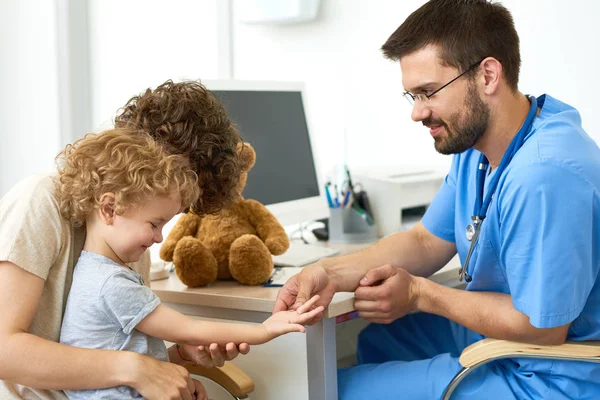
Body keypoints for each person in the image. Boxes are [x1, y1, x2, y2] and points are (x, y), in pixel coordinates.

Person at [274, 1, 600, 399]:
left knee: (331, 390)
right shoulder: (478, 144)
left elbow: (543, 327)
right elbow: (426, 241)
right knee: (380, 341)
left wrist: (419, 295)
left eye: (428, 93)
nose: (416, 113)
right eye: (411, 96)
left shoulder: (545, 175)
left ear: (488, 75)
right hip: (519, 336)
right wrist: (330, 272)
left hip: (553, 372)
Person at [0, 80, 253, 400]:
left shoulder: (133, 238)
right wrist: (135, 369)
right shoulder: (40, 202)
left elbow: (111, 352)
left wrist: (180, 362)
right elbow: (3, 350)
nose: (160, 233)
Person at [55, 129, 323, 400]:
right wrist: (265, 329)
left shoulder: (95, 271)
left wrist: (179, 356)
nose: (159, 238)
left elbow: (130, 355)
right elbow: (190, 330)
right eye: (154, 224)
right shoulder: (112, 285)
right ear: (109, 209)